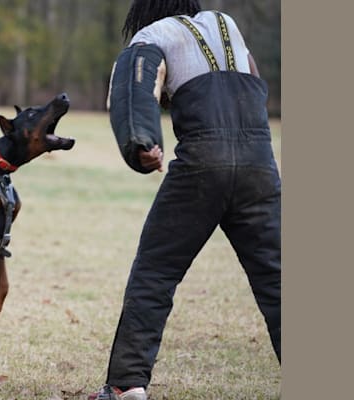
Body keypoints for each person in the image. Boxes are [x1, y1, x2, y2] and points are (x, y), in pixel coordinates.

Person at [91, 1, 281, 399]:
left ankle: (127, 386)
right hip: (258, 163)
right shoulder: (226, 24)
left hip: (202, 163)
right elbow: (252, 76)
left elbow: (133, 85)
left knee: (155, 274)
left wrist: (141, 143)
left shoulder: (154, 35)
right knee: (278, 278)